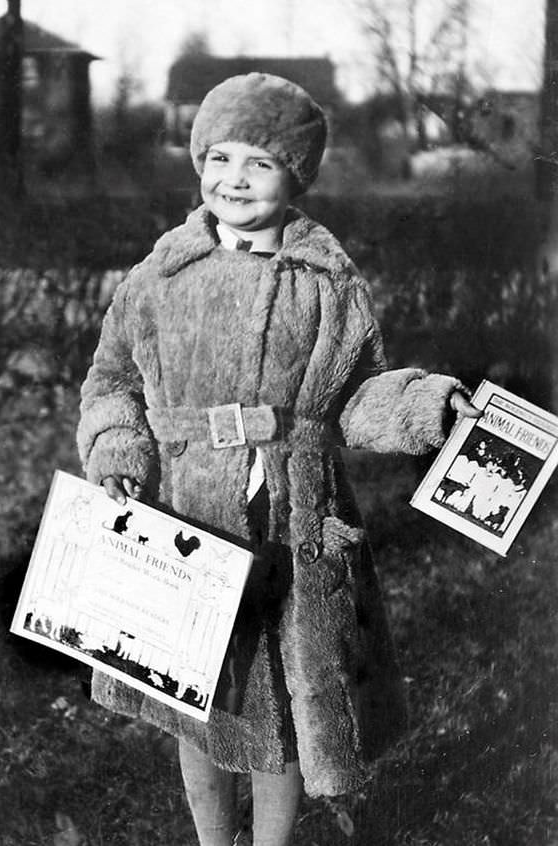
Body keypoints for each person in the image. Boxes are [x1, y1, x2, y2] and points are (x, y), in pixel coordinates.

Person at [76, 73, 479, 846]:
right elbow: (112, 379)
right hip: (185, 514)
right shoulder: (158, 279)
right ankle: (210, 838)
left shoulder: (327, 285)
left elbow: (355, 393)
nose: (234, 179)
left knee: (285, 708)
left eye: (258, 163)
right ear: (197, 163)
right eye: (218, 158)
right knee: (193, 705)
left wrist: (423, 406)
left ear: (296, 175)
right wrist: (119, 450)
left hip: (291, 521)